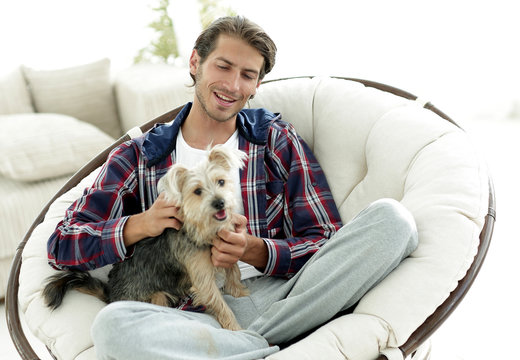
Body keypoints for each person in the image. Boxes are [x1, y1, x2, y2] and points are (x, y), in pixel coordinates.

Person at [47, 15, 418, 360]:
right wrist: (142, 224)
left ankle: (244, 345)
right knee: (112, 327)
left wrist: (257, 251)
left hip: (287, 295)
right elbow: (62, 245)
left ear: (257, 85)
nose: (232, 85)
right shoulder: (139, 155)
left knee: (394, 221)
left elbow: (326, 242)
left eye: (247, 74)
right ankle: (264, 345)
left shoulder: (275, 140)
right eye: (223, 66)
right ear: (195, 62)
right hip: (192, 313)